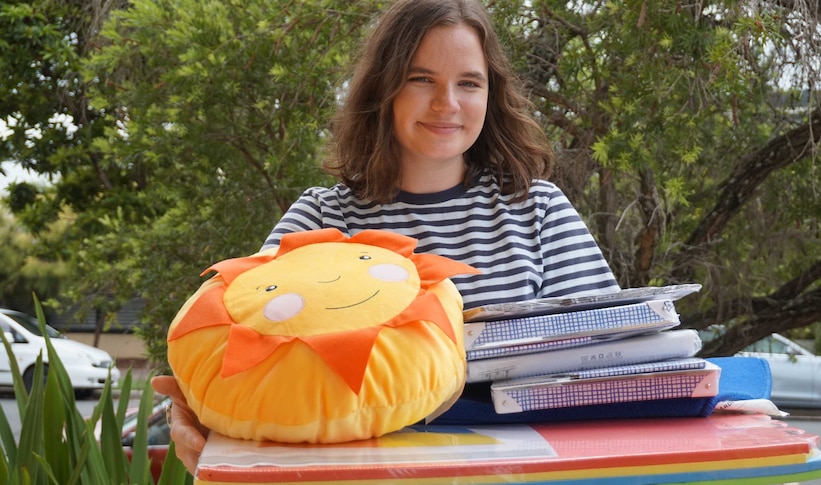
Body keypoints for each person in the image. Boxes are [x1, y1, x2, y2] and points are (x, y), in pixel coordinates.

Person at [152, 0, 620, 472]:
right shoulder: (322, 216)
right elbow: (246, 337)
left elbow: (610, 359)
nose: (447, 103)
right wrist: (189, 410)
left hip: (521, 473)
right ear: (384, 89)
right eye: (422, 80)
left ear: (490, 95)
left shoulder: (536, 208)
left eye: (469, 83)